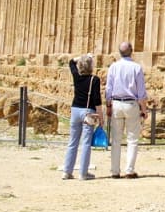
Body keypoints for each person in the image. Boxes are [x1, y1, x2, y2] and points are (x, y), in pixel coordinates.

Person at [105, 42, 148, 179]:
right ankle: (129, 170)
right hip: (131, 104)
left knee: (116, 139)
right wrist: (144, 109)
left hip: (116, 103)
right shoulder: (136, 67)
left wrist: (108, 106)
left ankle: (115, 171)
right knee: (132, 139)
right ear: (132, 51)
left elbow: (108, 89)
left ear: (119, 52)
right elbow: (141, 92)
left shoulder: (113, 67)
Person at [62, 54, 104, 180]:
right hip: (88, 112)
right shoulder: (94, 80)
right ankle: (83, 173)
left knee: (72, 142)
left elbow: (70, 62)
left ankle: (66, 171)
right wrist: (101, 117)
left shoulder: (76, 76)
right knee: (86, 143)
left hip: (75, 110)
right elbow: (97, 100)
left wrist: (81, 57)